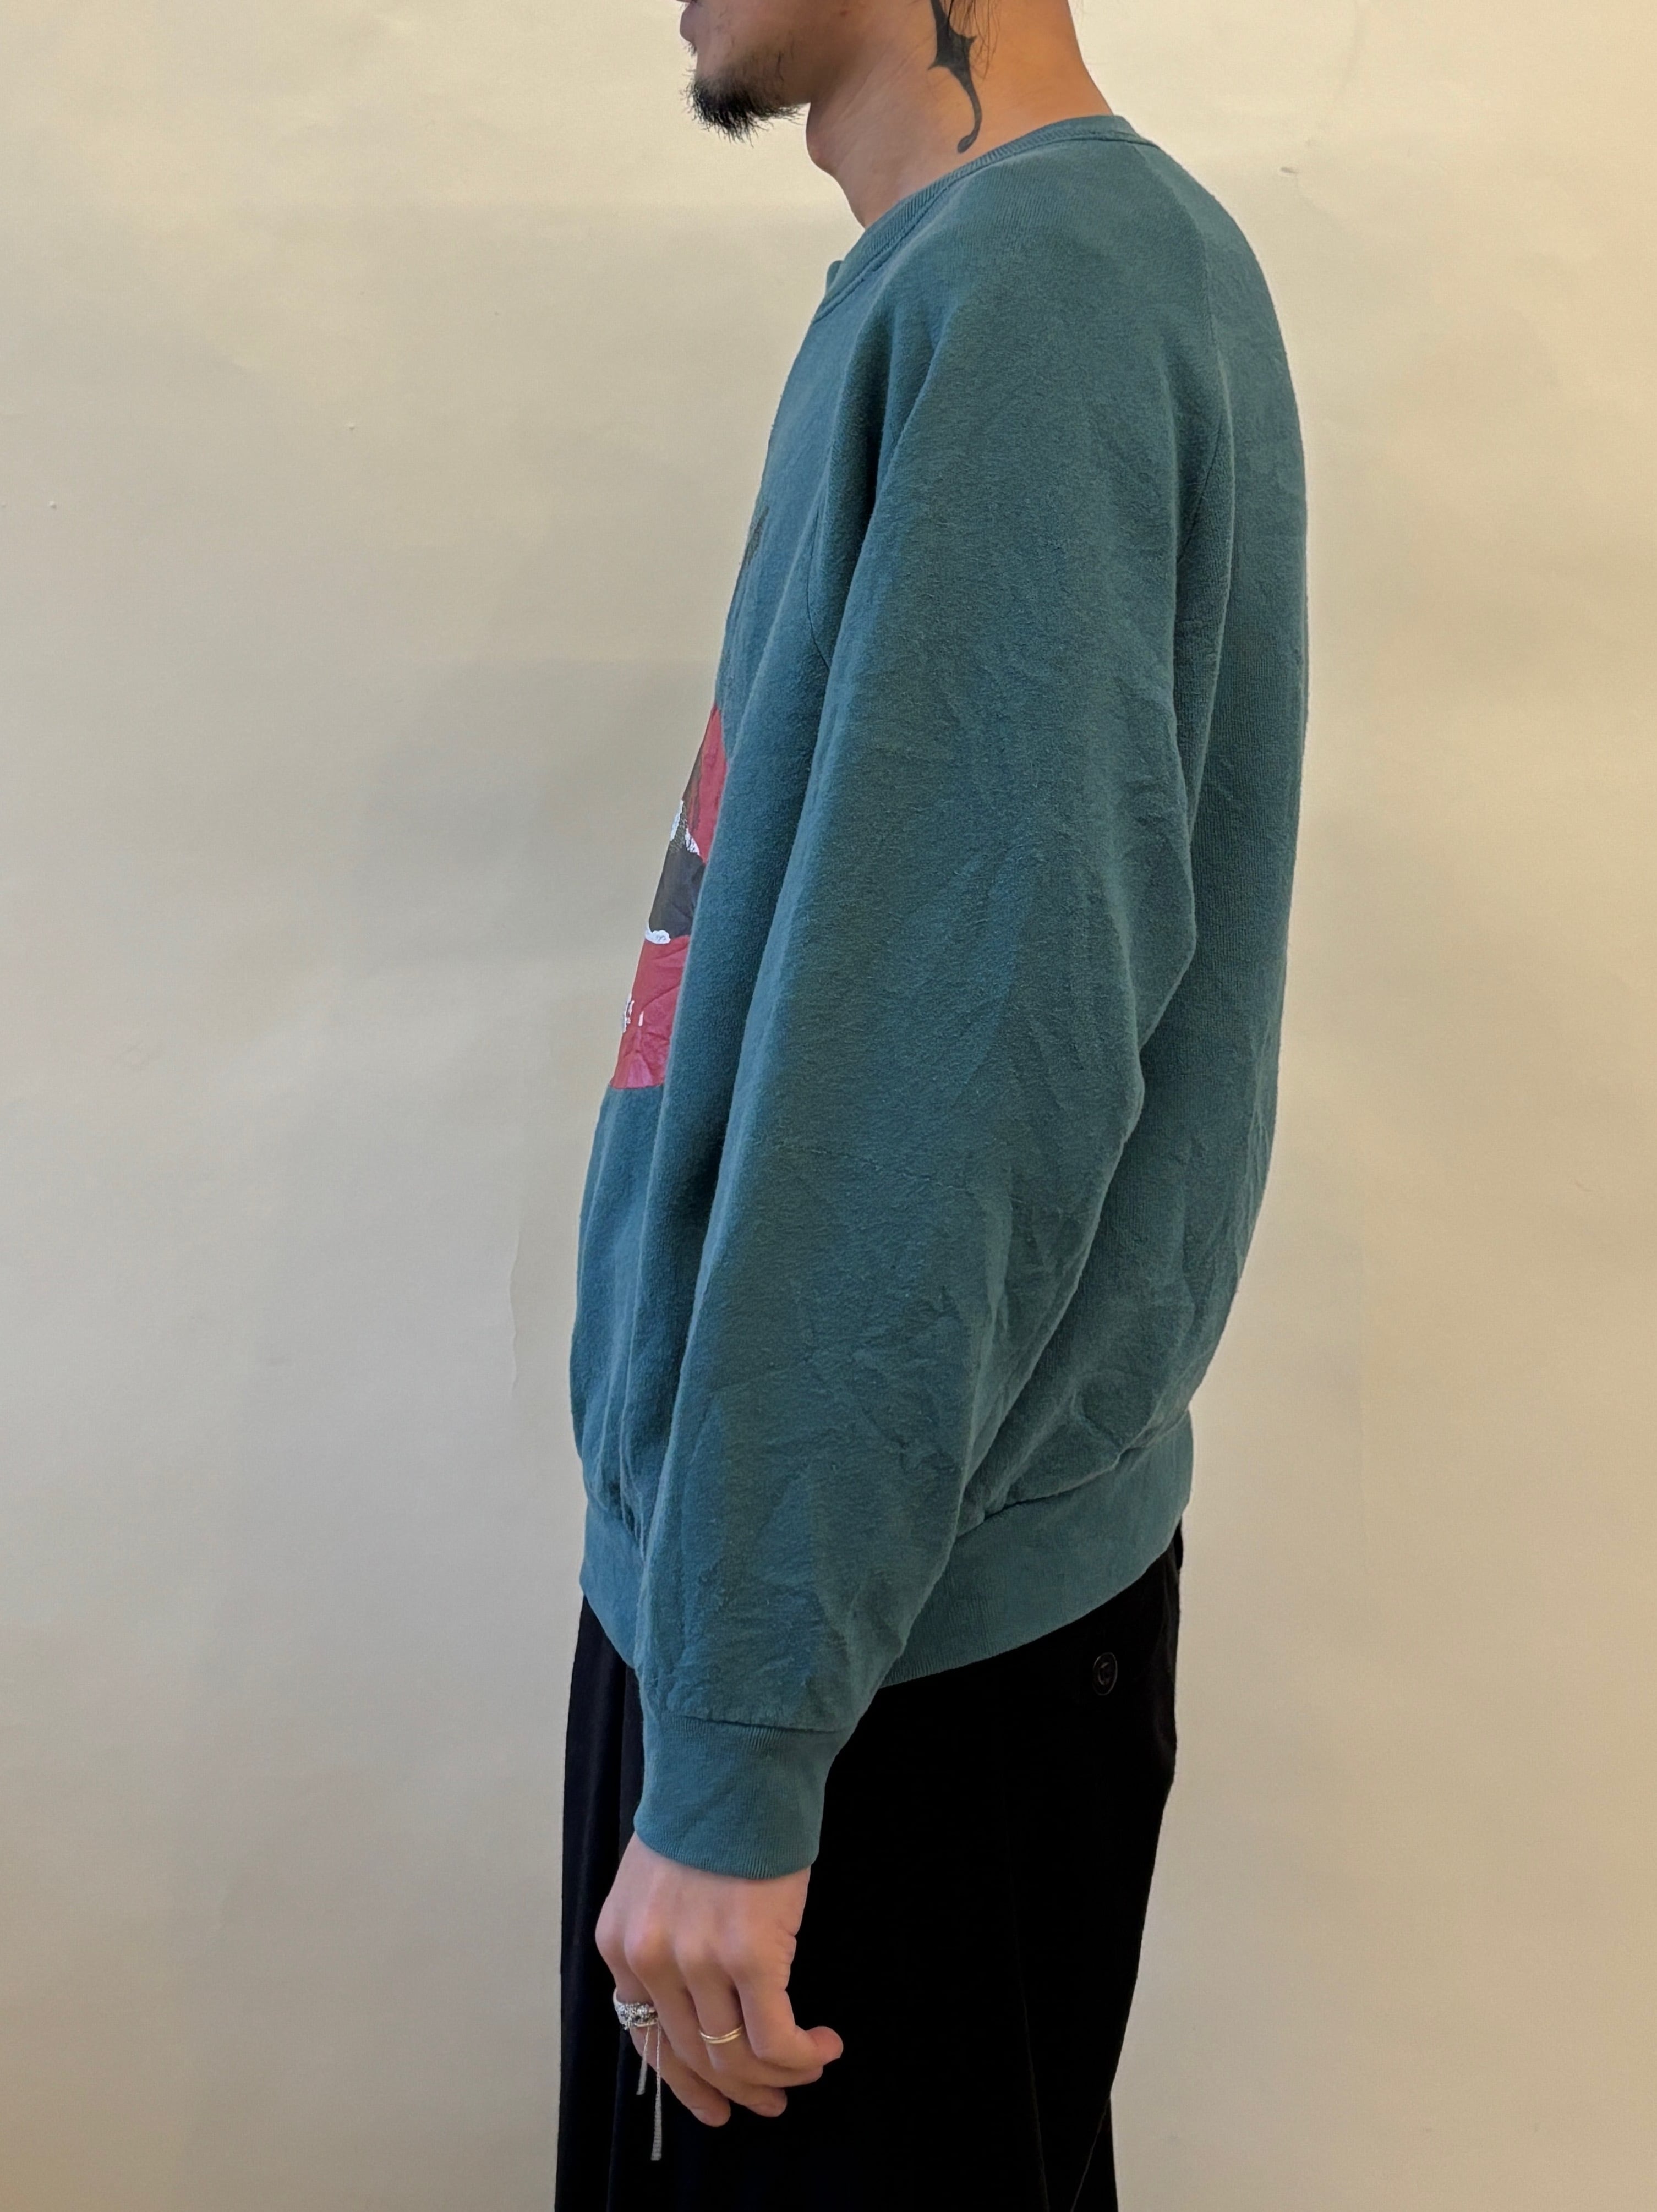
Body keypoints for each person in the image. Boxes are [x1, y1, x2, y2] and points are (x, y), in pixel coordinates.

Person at [555, 0, 1307, 2197]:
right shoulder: (997, 271)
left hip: (872, 1677)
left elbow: (948, 1079)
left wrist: (741, 1734)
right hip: (840, 1623)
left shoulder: (1041, 291)